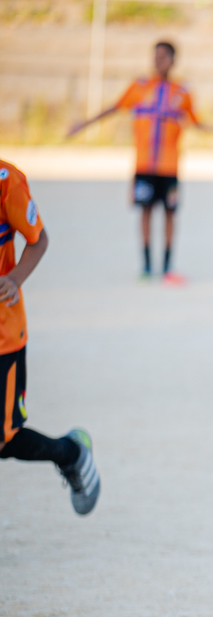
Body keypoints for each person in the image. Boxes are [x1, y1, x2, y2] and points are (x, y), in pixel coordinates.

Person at [68, 41, 213, 283]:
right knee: (145, 211)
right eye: (155, 56)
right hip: (144, 165)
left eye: (163, 57)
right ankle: (147, 265)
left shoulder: (182, 91)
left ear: (173, 60)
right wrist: (85, 123)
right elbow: (115, 108)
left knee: (170, 213)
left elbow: (194, 120)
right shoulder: (140, 87)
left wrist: (212, 129)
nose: (158, 61)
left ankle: (168, 266)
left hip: (169, 166)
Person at [0, 159, 100, 514]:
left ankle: (70, 453)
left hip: (3, 335)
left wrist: (15, 279)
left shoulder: (6, 181)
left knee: (3, 439)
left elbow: (38, 239)